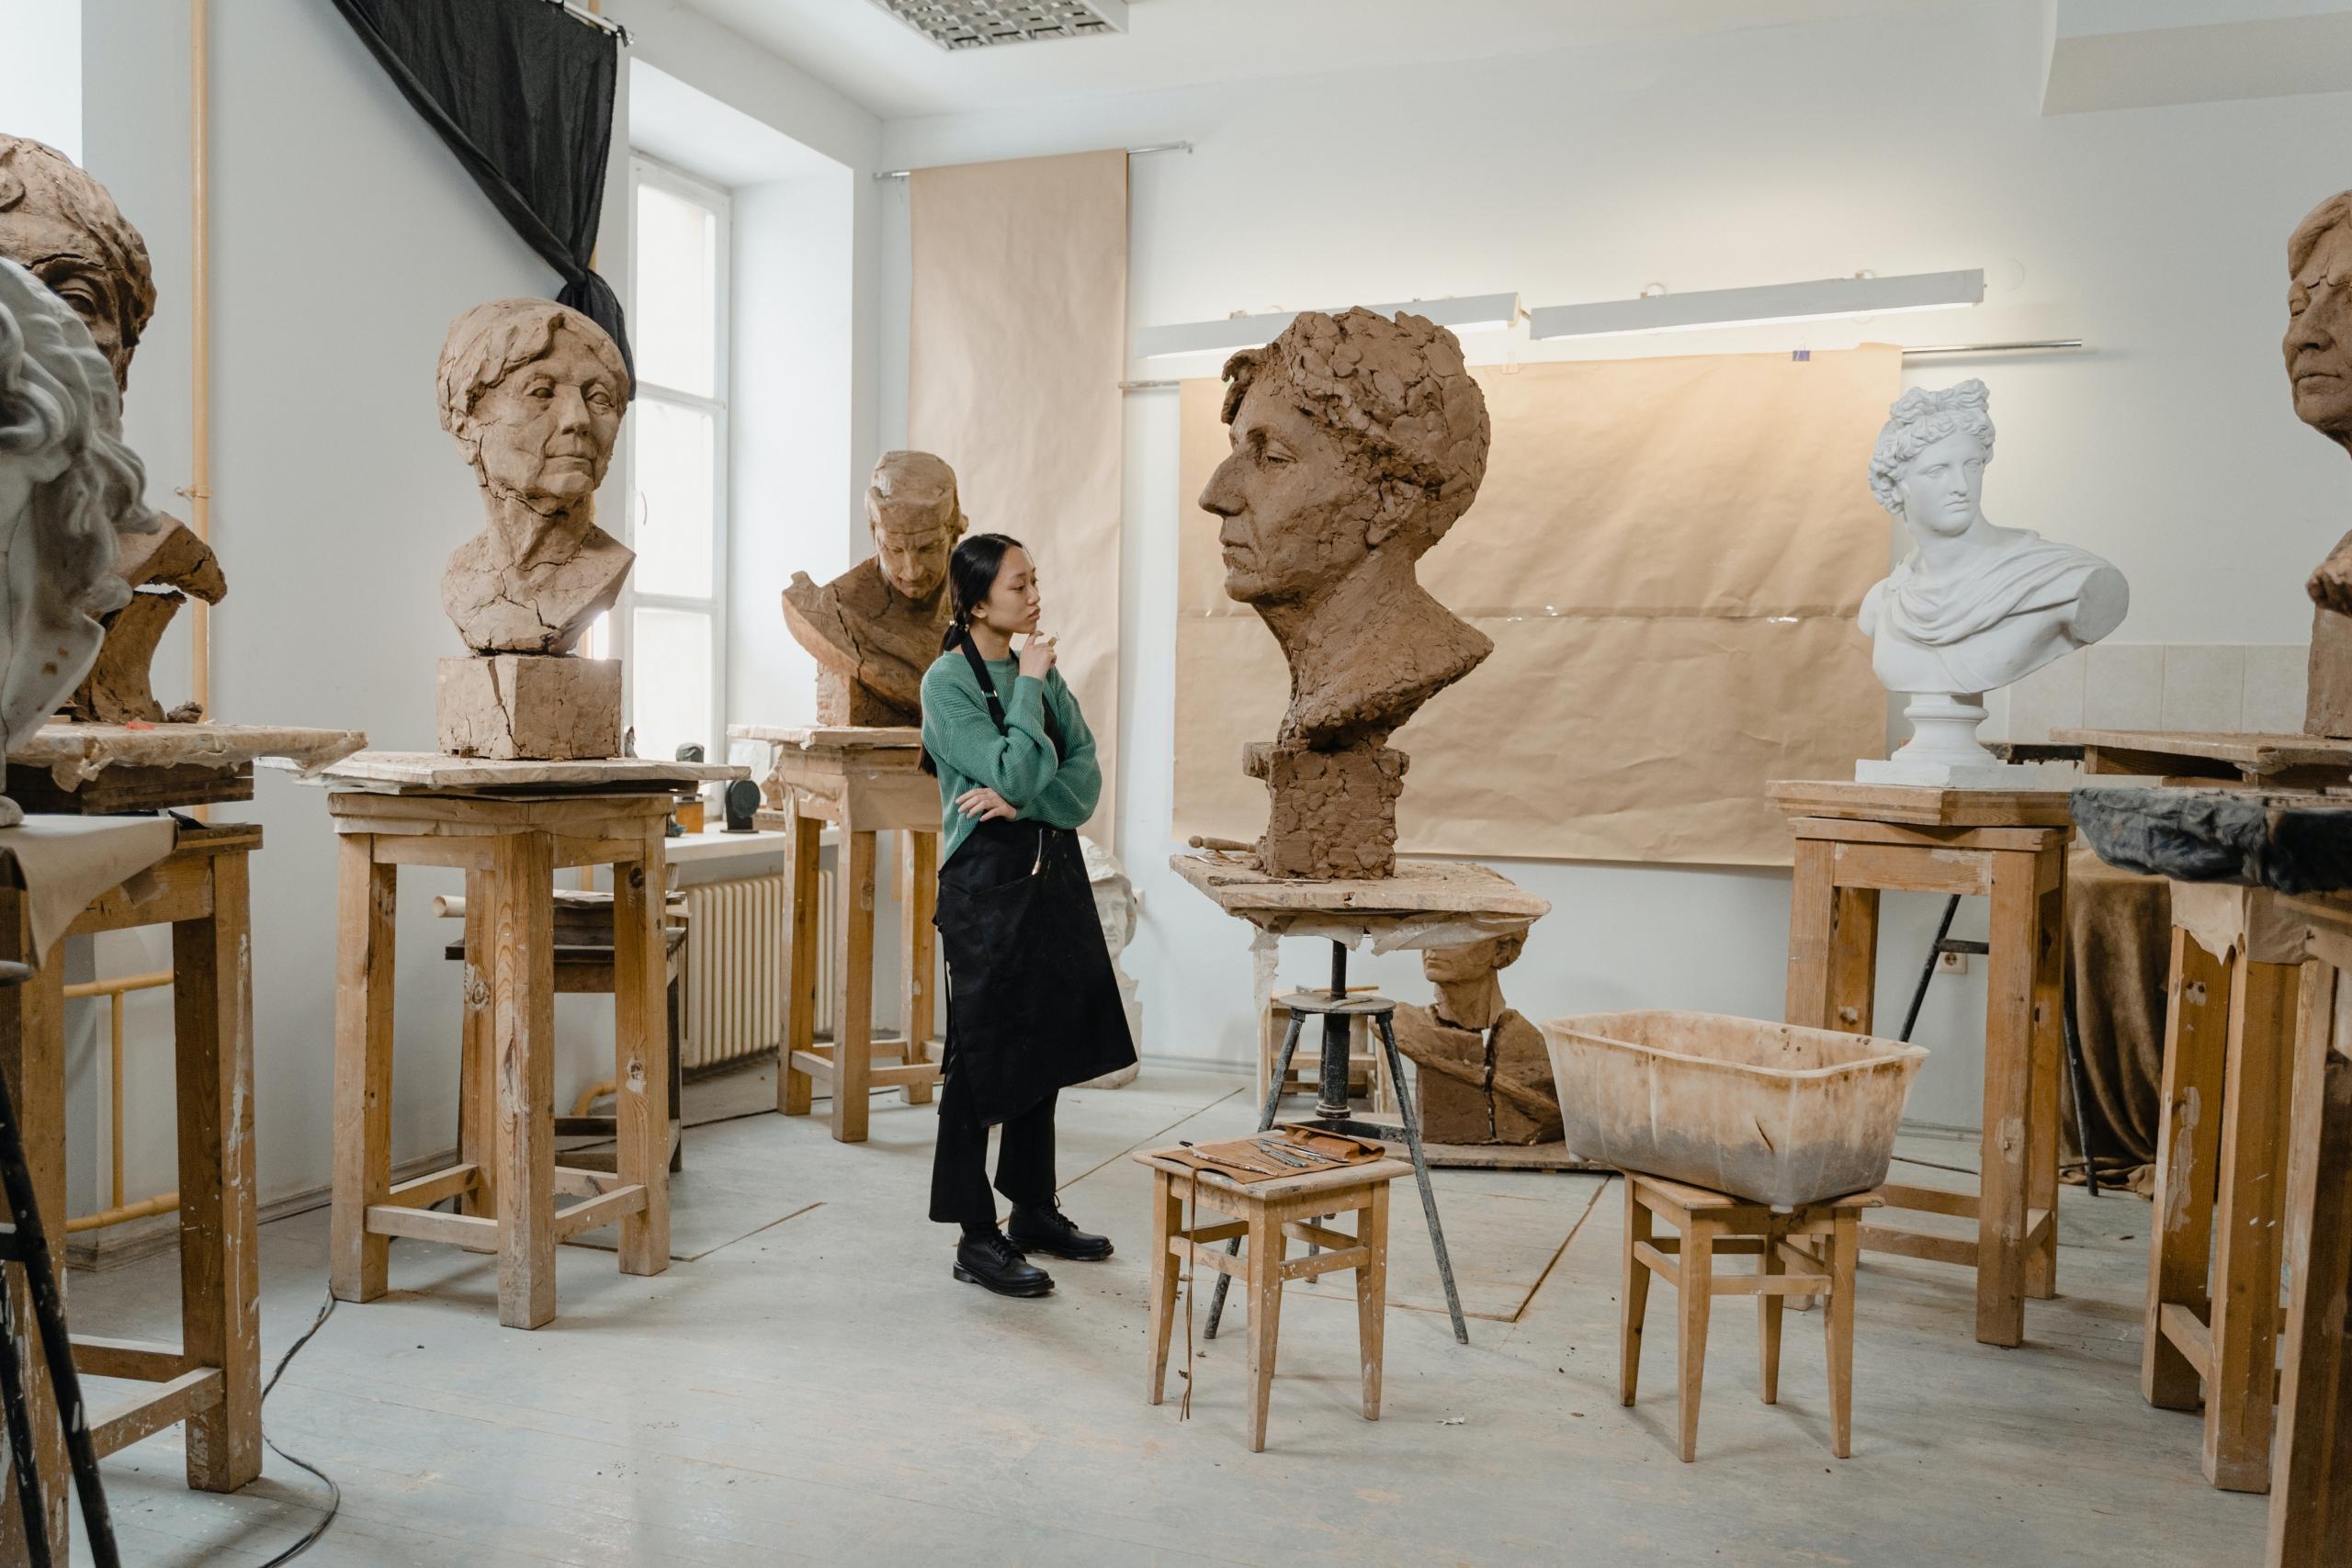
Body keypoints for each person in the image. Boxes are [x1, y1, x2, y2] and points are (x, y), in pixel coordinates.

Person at [919, 532, 1136, 1298]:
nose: (1034, 595)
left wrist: (1021, 801)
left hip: (1047, 871)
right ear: (978, 601)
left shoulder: (1040, 671)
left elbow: (1082, 781)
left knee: (1043, 1040)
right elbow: (1011, 760)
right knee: (979, 1056)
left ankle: (1033, 1211)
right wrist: (1030, 693)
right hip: (980, 885)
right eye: (1019, 586)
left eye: (1035, 580)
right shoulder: (946, 684)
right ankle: (975, 1235)